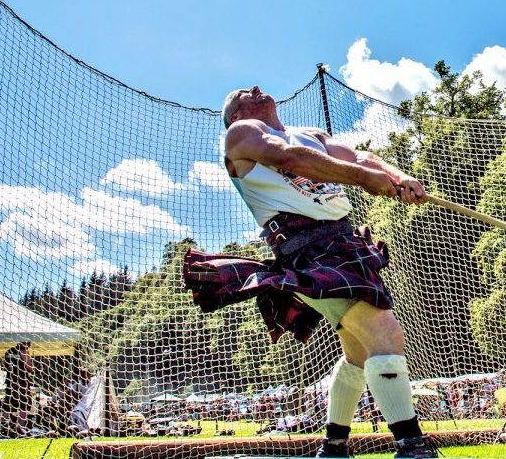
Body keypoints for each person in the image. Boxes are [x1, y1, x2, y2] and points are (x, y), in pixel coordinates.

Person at [183, 86, 435, 458]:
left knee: (358, 353)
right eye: (240, 95)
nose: (253, 89)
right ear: (235, 115)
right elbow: (289, 159)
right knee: (385, 333)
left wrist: (398, 177)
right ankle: (412, 447)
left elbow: (363, 156)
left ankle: (333, 448)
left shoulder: (313, 135)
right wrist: (365, 179)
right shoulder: (241, 134)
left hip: (345, 243)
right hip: (305, 247)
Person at [1, 341, 33, 437]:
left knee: (8, 403)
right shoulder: (23, 352)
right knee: (26, 403)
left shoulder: (9, 351)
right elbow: (29, 367)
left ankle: (5, 424)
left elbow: (4, 366)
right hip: (21, 382)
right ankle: (20, 426)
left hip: (10, 381)